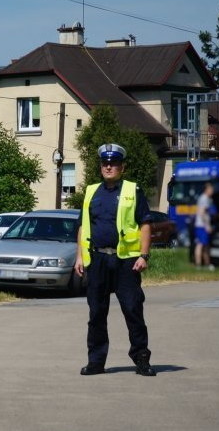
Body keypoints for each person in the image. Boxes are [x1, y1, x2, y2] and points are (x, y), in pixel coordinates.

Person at [73, 143, 156, 377]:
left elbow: (145, 223)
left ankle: (141, 359)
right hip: (97, 259)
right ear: (101, 167)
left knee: (132, 309)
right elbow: (82, 226)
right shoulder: (91, 192)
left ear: (122, 167)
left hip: (126, 262)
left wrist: (144, 255)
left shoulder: (132, 190)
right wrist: (79, 255)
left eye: (114, 163)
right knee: (96, 313)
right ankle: (96, 362)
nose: (109, 167)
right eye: (105, 163)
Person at [194, 182, 215, 271]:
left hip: (200, 225)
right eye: (211, 189)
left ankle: (206, 264)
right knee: (201, 245)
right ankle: (200, 265)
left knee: (204, 245)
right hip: (202, 226)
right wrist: (207, 226)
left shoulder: (203, 198)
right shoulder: (205, 198)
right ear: (207, 190)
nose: (212, 191)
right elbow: (202, 213)